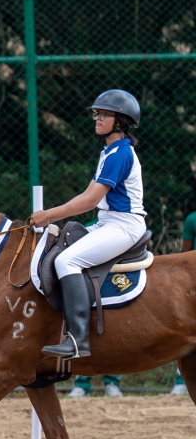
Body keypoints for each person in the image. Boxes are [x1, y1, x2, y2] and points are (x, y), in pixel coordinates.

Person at [28, 90, 145, 359]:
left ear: (121, 121)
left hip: (124, 226)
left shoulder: (120, 154)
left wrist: (49, 215)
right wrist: (51, 215)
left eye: (104, 114)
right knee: (58, 248)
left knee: (67, 261)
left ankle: (78, 339)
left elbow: (91, 201)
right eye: (96, 114)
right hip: (109, 222)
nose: (97, 118)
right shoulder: (109, 151)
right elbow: (86, 194)